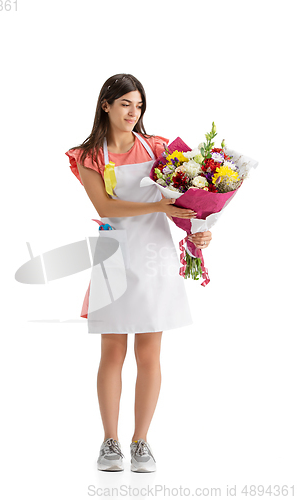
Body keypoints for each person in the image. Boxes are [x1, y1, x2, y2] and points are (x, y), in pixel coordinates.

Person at [65, 74, 212, 473]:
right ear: (106, 105)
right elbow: (107, 207)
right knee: (113, 351)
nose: (134, 112)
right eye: (126, 104)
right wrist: (160, 209)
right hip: (113, 253)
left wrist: (199, 231)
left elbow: (183, 201)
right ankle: (110, 443)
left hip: (155, 254)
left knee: (149, 353)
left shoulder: (159, 148)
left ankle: (140, 442)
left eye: (139, 105)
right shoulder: (89, 155)